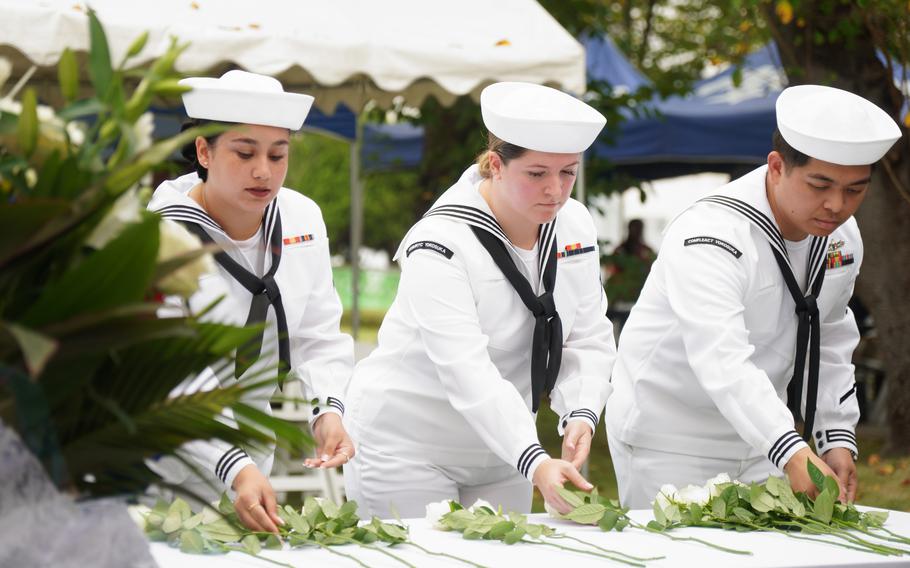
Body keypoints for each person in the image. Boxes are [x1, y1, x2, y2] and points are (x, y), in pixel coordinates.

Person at [605, 85, 901, 508]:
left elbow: (829, 338)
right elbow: (721, 357)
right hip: (670, 439)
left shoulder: (841, 238)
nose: (837, 205)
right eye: (820, 184)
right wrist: (792, 449)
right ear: (777, 167)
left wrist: (835, 436)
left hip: (767, 437)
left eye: (855, 189)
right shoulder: (711, 234)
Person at [343, 82, 616, 518]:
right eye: (537, 173)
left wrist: (581, 412)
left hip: (503, 444)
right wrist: (535, 459)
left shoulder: (573, 225)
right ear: (496, 165)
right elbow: (465, 368)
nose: (556, 191)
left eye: (568, 172)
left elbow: (587, 333)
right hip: (407, 443)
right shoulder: (440, 241)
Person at [146, 71, 355, 532]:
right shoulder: (158, 235)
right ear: (204, 152)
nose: (264, 170)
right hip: (163, 460)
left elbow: (318, 335)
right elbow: (168, 371)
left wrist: (329, 411)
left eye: (278, 155)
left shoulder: (302, 218)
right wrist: (234, 465)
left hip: (253, 453)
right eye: (245, 153)